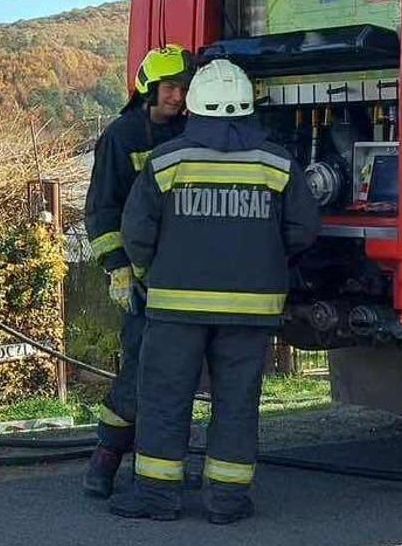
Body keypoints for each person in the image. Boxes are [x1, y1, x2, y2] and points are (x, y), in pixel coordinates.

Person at [108, 59, 320, 524]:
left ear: (196, 106)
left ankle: (157, 496)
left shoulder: (167, 162)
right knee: (237, 403)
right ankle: (227, 500)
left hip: (175, 308)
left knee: (165, 398)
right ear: (248, 106)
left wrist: (146, 271)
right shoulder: (277, 163)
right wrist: (265, 257)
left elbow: (137, 233)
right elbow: (303, 230)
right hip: (251, 310)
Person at [82, 45, 195, 497]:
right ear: (149, 89)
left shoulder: (191, 131)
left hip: (182, 270)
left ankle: (157, 467)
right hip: (142, 275)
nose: (177, 97)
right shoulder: (121, 136)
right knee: (140, 369)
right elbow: (101, 210)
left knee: (176, 376)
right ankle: (105, 460)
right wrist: (118, 268)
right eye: (169, 88)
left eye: (183, 89)